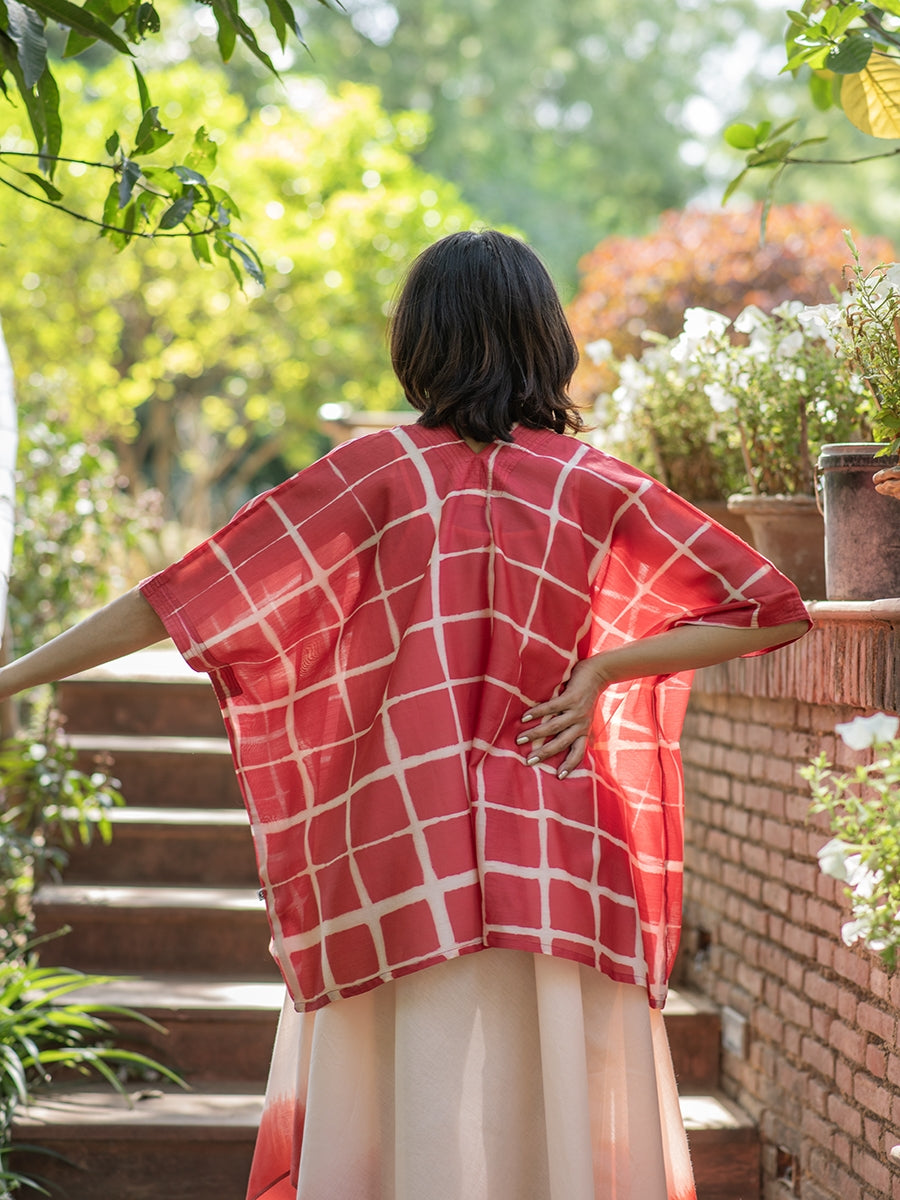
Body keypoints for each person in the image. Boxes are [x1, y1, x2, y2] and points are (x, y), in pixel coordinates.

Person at [0, 230, 811, 1200]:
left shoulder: (373, 472)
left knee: (396, 1124)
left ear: (419, 342)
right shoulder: (595, 484)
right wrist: (607, 672)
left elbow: (181, 598)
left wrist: (13, 678)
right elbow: (767, 605)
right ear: (545, 339)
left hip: (393, 842)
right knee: (553, 1126)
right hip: (559, 848)